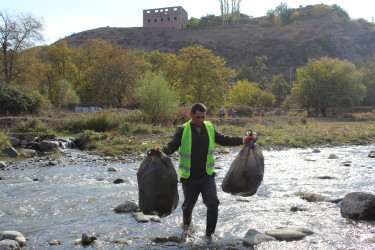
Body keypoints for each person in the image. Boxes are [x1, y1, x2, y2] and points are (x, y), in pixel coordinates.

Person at [155, 103, 253, 238]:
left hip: (207, 176)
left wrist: (243, 140)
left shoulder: (209, 127)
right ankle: (187, 227)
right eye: (197, 117)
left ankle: (209, 236)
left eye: (203, 117)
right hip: (189, 178)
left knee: (213, 204)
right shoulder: (182, 131)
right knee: (188, 207)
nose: (200, 120)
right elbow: (170, 147)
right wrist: (160, 150)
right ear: (191, 115)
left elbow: (224, 140)